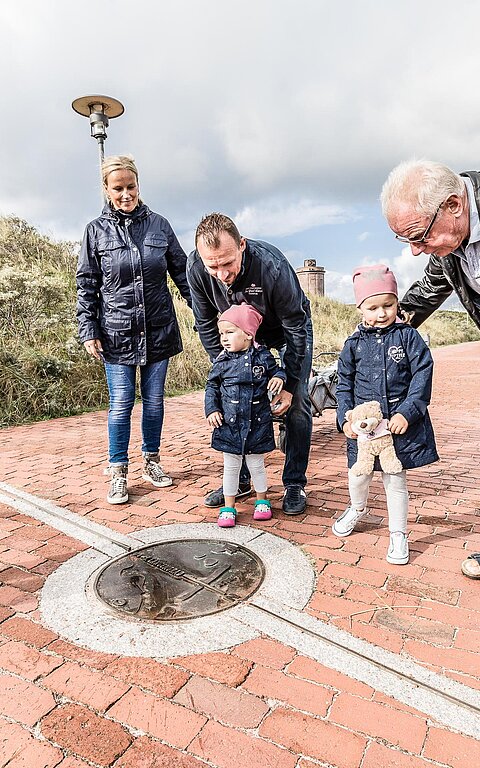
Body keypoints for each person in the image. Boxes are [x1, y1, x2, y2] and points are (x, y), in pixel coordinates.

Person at [76, 155, 191, 505]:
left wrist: (206, 313)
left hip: (158, 329)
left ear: (138, 185)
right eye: (118, 188)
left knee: (154, 402)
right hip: (115, 333)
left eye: (131, 187)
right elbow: (86, 284)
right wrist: (88, 328)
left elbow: (183, 273)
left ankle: (152, 461)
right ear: (107, 189)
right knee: (122, 402)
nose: (125, 194)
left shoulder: (160, 226)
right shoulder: (95, 231)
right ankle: (118, 470)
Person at [187, 212, 313, 515]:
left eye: (228, 262)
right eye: (212, 265)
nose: (222, 273)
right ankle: (241, 481)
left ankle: (294, 483)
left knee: (296, 405)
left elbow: (296, 328)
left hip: (283, 331)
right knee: (235, 401)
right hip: (237, 338)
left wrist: (290, 386)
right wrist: (226, 370)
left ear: (242, 245)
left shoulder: (272, 266)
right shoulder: (195, 268)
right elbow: (205, 323)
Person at [333, 265, 438, 565]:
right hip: (364, 428)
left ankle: (398, 533)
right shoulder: (352, 345)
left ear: (397, 303)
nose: (382, 313)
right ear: (360, 308)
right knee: (358, 475)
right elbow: (344, 384)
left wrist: (409, 411)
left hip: (396, 428)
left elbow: (422, 373)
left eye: (388, 305)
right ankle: (357, 508)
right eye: (373, 307)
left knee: (395, 480)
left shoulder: (408, 337)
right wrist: (345, 418)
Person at [205, 303, 286, 527]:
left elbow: (277, 369)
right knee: (230, 467)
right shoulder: (222, 361)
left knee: (257, 465)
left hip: (258, 423)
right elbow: (211, 387)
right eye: (222, 333)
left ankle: (262, 501)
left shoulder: (262, 356)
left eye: (230, 332)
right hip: (229, 424)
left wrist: (279, 377)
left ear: (249, 334)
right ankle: (229, 507)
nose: (224, 338)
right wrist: (212, 409)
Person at [381, 159, 480, 329]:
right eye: (407, 240)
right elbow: (428, 291)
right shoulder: (447, 245)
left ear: (453, 205)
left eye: (419, 236)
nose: (415, 251)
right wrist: (383, 327)